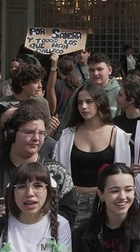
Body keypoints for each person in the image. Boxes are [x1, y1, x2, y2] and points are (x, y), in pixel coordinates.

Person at [53, 84, 134, 225]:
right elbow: (59, 174)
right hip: (72, 202)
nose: (83, 106)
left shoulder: (117, 135)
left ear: (100, 102)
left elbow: (124, 174)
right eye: (79, 102)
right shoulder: (67, 136)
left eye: (89, 101)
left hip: (106, 202)